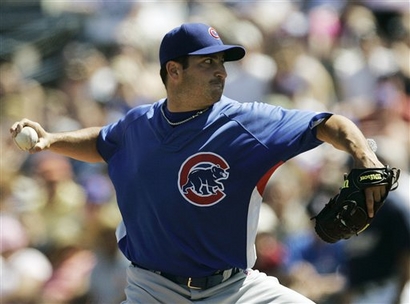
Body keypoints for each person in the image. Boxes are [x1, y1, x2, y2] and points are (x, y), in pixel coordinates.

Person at [10, 23, 389, 303]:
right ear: (174, 71)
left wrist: (365, 156)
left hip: (233, 288)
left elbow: (329, 123)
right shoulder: (137, 124)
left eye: (222, 62)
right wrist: (52, 141)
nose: (221, 70)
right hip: (152, 289)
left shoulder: (247, 122)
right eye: (207, 63)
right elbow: (103, 141)